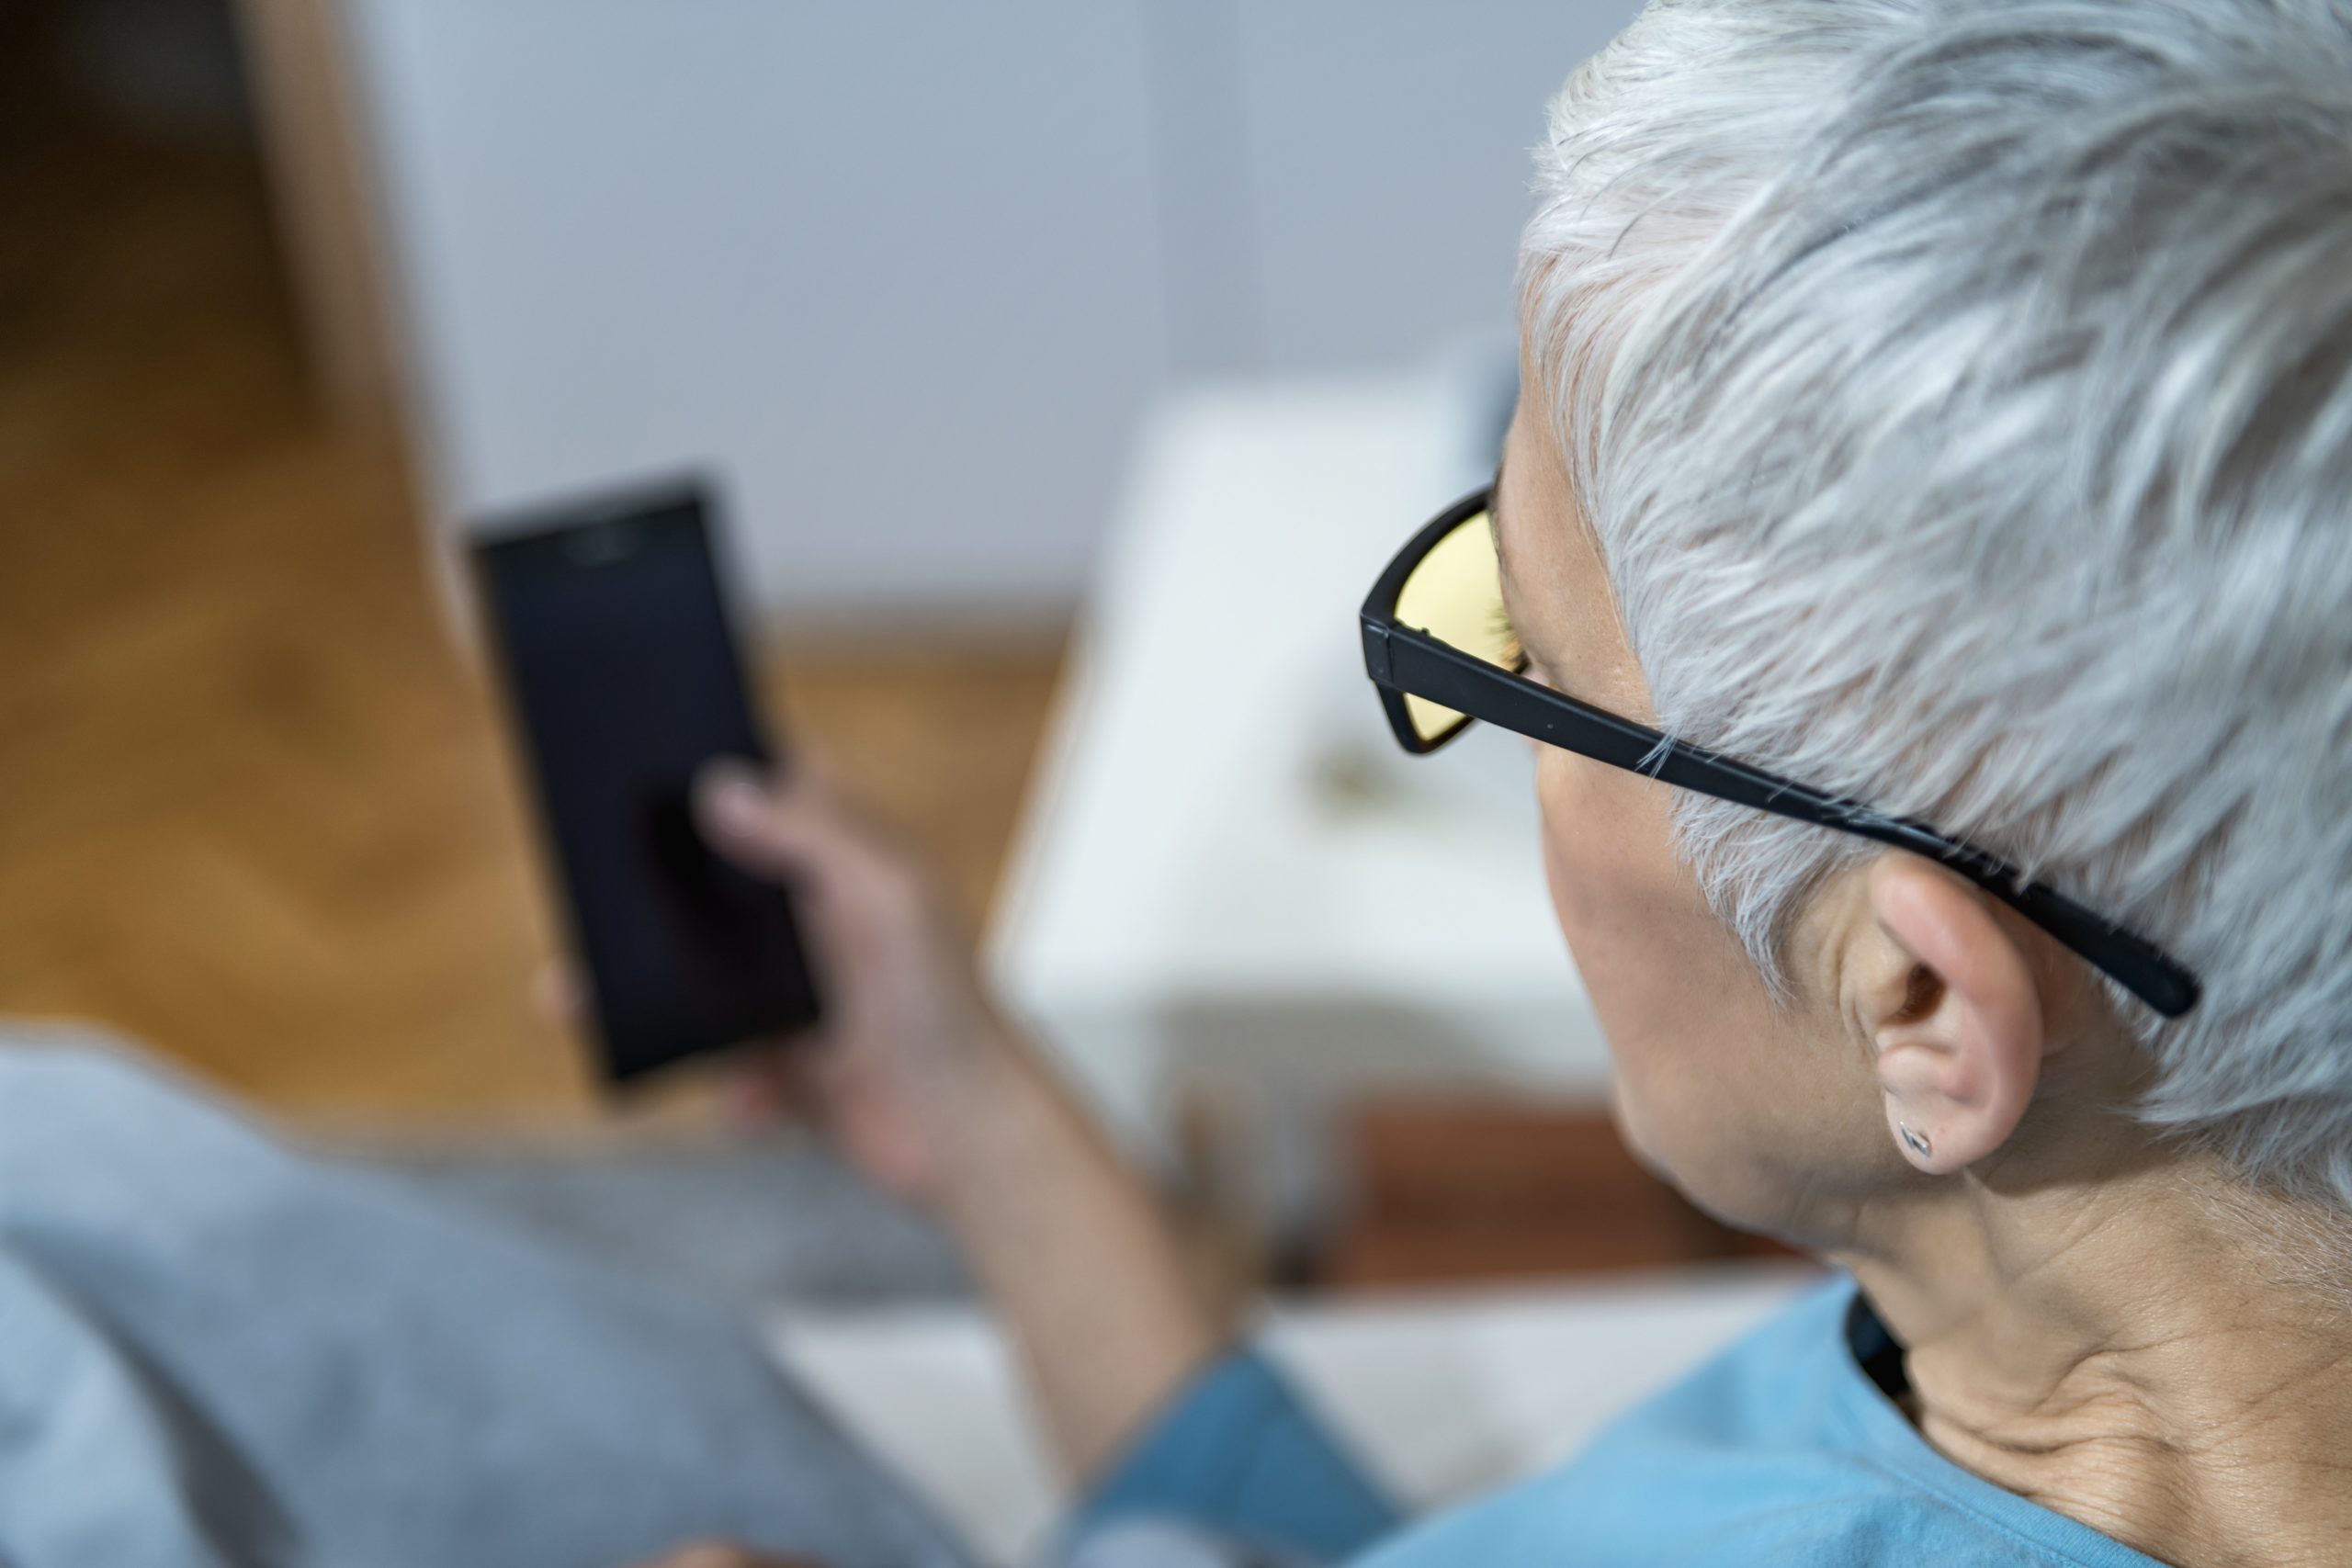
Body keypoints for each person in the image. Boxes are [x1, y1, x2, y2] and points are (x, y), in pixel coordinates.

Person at [663, 0, 2352, 1563]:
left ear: (1918, 1000)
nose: (1509, 715)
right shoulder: (2015, 1319)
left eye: (1527, 665)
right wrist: (973, 1114)